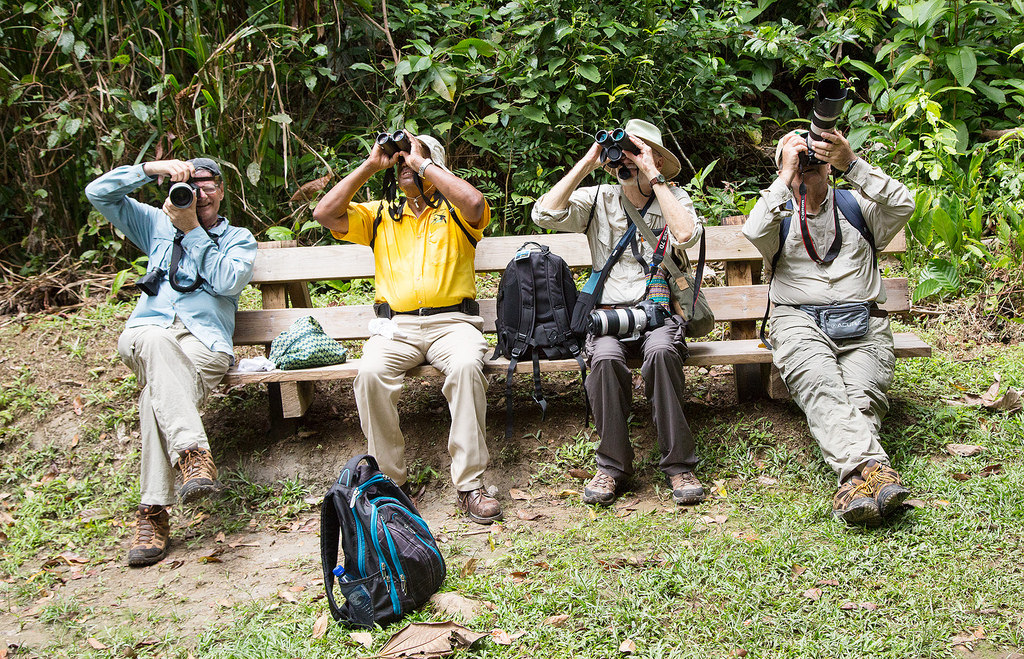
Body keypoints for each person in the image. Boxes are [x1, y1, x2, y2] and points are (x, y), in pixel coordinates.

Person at [312, 133, 502, 524]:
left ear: (438, 166)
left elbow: (475, 203)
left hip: (454, 323)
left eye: (414, 159)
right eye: (401, 161)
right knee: (369, 374)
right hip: (395, 327)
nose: (405, 166)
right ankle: (390, 486)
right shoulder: (380, 213)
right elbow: (325, 214)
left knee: (467, 366)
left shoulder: (455, 210)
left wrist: (423, 162)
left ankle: (470, 486)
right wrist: (371, 164)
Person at [85, 157, 257, 565]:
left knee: (154, 398)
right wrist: (151, 169)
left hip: (204, 344)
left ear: (221, 188)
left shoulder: (238, 238)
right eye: (189, 184)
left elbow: (228, 281)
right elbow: (98, 193)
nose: (199, 193)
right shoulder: (154, 223)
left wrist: (192, 231)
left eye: (207, 183)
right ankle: (192, 454)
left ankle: (153, 514)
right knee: (156, 340)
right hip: (147, 334)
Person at [742, 128, 916, 525]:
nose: (807, 165)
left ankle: (853, 485)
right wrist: (785, 176)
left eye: (813, 159)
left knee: (861, 399)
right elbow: (752, 231)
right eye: (797, 159)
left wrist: (851, 163)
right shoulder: (778, 217)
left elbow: (903, 203)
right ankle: (877, 473)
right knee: (821, 385)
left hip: (864, 324)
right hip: (799, 322)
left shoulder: (858, 208)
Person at [532, 119, 706, 506]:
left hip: (659, 312)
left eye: (636, 152)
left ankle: (679, 465)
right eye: (621, 153)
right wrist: (589, 162)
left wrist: (653, 176)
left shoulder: (672, 197)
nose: (624, 161)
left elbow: (687, 236)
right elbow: (543, 214)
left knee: (661, 352)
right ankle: (612, 466)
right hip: (608, 316)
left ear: (655, 158)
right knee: (606, 359)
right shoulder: (599, 199)